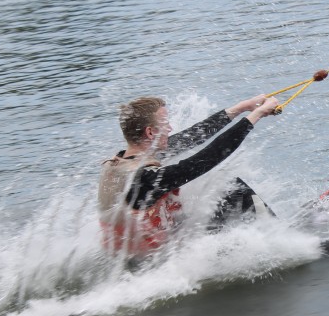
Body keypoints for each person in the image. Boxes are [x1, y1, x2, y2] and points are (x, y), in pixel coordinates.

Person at [97, 94, 279, 256]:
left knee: (192, 202)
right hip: (157, 258)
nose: (170, 128)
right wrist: (257, 115)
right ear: (150, 132)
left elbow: (193, 135)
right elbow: (209, 157)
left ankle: (239, 244)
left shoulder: (123, 160)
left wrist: (242, 107)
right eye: (165, 123)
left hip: (133, 251)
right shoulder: (146, 178)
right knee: (233, 186)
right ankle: (276, 233)